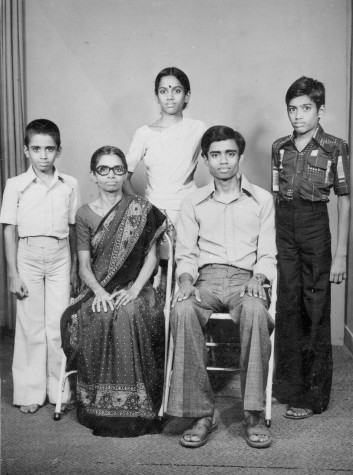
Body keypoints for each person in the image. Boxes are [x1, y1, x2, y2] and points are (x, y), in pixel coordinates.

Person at [167, 126, 277, 449]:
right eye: (215, 155)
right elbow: (186, 254)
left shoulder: (262, 200)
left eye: (230, 154)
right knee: (182, 309)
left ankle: (254, 414)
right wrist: (185, 280)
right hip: (207, 278)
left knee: (257, 311)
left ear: (240, 157)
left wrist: (259, 278)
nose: (223, 161)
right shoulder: (193, 202)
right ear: (205, 160)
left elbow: (268, 252)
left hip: (247, 278)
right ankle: (202, 414)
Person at [61, 145, 166, 437]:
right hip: (99, 287)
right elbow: (83, 266)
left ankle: (138, 408)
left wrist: (134, 290)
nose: (111, 176)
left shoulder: (141, 209)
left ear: (124, 173)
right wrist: (99, 293)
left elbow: (151, 257)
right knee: (101, 312)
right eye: (104, 170)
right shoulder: (85, 214)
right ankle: (99, 406)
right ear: (93, 175)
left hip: (137, 288)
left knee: (129, 312)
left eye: (118, 169)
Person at [272, 76, 350, 419]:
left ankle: (312, 396)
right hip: (284, 227)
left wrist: (340, 256)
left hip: (316, 226)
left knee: (314, 308)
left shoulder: (336, 146)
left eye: (306, 108)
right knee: (287, 304)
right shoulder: (279, 148)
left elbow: (345, 202)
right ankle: (286, 387)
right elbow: (275, 198)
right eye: (292, 109)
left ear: (320, 110)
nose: (298, 116)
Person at [0, 119, 80, 414]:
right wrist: (12, 273)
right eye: (36, 149)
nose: (43, 155)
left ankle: (58, 390)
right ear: (26, 150)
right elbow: (9, 229)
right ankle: (30, 392)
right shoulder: (16, 185)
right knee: (30, 326)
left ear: (58, 150)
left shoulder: (69, 184)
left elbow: (73, 228)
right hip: (28, 255)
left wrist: (72, 268)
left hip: (60, 256)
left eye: (49, 149)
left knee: (58, 325)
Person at [124, 67, 206, 291]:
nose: (169, 96)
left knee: (187, 273)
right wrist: (146, 210)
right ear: (157, 96)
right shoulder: (144, 133)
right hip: (155, 213)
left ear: (187, 96)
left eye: (176, 90)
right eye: (163, 91)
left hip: (188, 210)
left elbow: (221, 158)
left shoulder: (198, 128)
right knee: (158, 279)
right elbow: (124, 177)